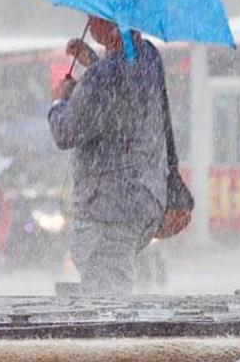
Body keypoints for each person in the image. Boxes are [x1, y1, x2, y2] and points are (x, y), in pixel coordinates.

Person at [49, 15, 167, 295]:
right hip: (142, 198)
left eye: (94, 18)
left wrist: (60, 100)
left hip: (107, 206)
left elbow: (66, 131)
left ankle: (113, 338)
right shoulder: (148, 55)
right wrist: (94, 62)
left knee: (108, 302)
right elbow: (123, 98)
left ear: (111, 24)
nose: (90, 27)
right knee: (118, 280)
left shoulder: (105, 77)